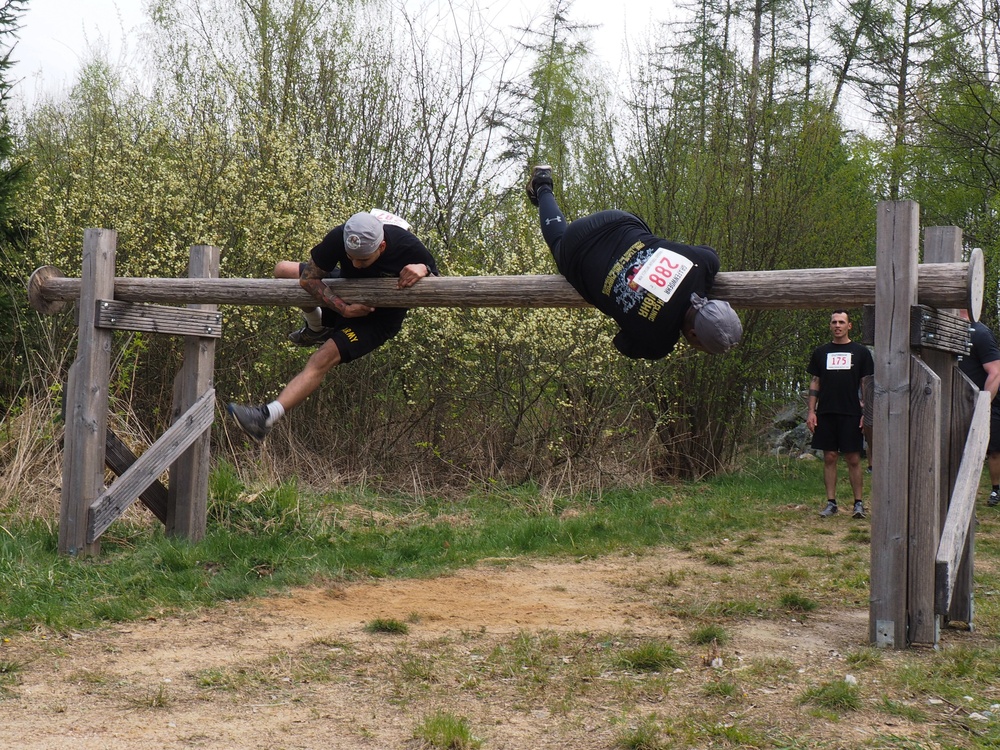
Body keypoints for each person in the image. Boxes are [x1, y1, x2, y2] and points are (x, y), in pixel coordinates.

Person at [227, 211, 438, 442]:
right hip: (345, 296)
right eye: (351, 258)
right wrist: (343, 309)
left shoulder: (407, 245)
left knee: (322, 358)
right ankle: (316, 328)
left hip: (377, 319)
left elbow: (437, 282)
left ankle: (264, 418)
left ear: (382, 246)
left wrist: (423, 269)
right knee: (282, 270)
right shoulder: (340, 235)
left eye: (364, 260)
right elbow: (308, 279)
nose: (357, 265)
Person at [525, 166, 742, 359]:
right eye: (702, 347)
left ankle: (544, 181)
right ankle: (542, 185)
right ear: (693, 335)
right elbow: (622, 343)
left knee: (650, 239)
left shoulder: (703, 264)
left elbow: (709, 252)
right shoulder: (658, 343)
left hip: (618, 220)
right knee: (558, 244)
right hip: (579, 245)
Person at [806, 310, 875, 519]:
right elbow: (815, 381)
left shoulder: (861, 352)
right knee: (830, 456)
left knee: (853, 458)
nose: (837, 325)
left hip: (852, 412)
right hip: (826, 412)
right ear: (830, 326)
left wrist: (867, 412)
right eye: (834, 322)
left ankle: (858, 504)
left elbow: (867, 384)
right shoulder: (821, 352)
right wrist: (811, 411)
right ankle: (831, 502)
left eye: (841, 322)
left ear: (849, 326)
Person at [957, 309, 1000, 506]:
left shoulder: (980, 333)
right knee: (958, 453)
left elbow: (995, 373)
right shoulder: (947, 331)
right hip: (956, 406)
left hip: (981, 406)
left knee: (993, 450)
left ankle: (995, 489)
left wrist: (983, 406)